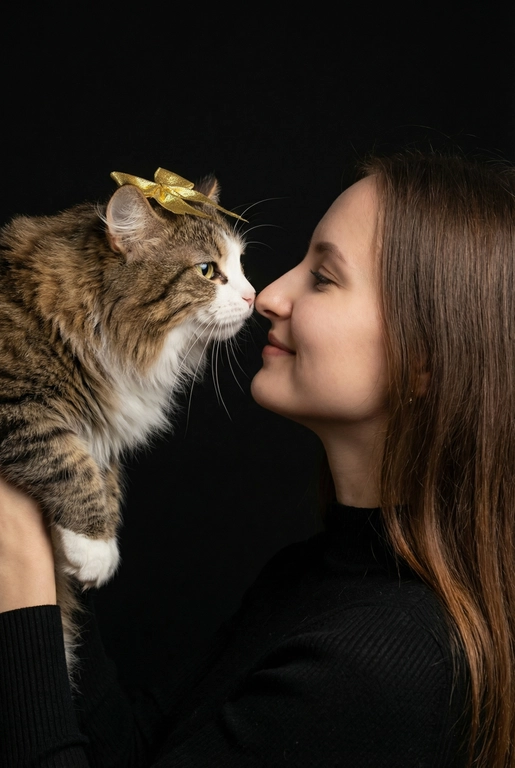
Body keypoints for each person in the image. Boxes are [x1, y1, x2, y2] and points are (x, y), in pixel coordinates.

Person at [1, 149, 514, 767]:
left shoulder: (377, 666)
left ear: (424, 359)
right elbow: (133, 752)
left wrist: (22, 581)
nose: (267, 295)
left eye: (322, 278)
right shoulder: (308, 576)